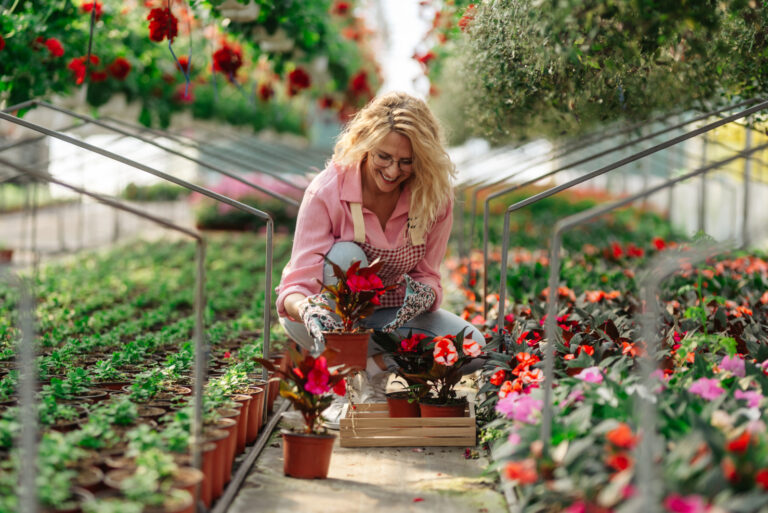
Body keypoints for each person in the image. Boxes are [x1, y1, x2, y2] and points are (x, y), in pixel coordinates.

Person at [275, 92, 484, 424]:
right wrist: (308, 309)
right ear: (365, 145)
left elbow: (428, 273)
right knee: (347, 255)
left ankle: (372, 370)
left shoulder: (433, 197)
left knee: (474, 348)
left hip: (393, 319)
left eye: (406, 161)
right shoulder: (327, 192)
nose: (392, 170)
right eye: (383, 157)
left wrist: (425, 296)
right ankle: (342, 380)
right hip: (328, 322)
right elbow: (296, 285)